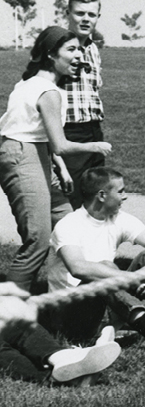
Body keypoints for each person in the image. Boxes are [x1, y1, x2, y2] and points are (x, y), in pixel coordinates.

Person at [48, 167, 145, 359]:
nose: (125, 197)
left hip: (105, 304)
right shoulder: (69, 224)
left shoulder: (118, 218)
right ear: (102, 195)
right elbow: (78, 268)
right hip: (69, 316)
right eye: (121, 191)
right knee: (105, 268)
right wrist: (131, 278)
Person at [0, 26, 112, 292]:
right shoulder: (47, 92)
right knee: (38, 240)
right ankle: (11, 315)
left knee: (68, 228)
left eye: (80, 50)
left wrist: (59, 169)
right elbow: (60, 144)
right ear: (51, 54)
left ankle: (66, 299)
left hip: (33, 152)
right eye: (71, 50)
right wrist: (96, 145)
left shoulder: (30, 83)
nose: (78, 57)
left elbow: (42, 135)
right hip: (21, 155)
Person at [60, 0, 105, 209]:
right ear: (67, 13)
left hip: (93, 129)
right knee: (72, 200)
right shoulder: (57, 47)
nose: (86, 19)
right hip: (69, 132)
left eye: (91, 14)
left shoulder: (93, 49)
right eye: (79, 13)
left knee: (96, 198)